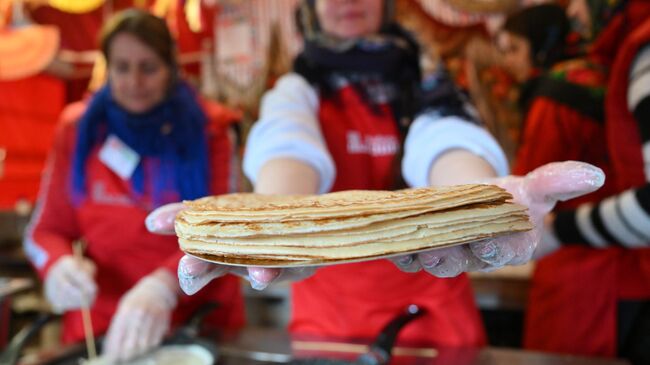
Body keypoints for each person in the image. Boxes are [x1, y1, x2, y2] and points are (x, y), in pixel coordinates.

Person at [147, 0, 604, 346]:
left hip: (434, 312)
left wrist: (484, 197)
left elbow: (444, 138)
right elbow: (288, 151)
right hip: (327, 322)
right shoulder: (296, 89)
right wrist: (272, 229)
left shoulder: (427, 80)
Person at [22, 9, 244, 362]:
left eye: (149, 67)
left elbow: (225, 233)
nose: (134, 81)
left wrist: (165, 285)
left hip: (196, 325)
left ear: (171, 67)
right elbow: (44, 231)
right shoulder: (78, 131)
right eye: (122, 68)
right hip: (100, 332)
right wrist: (57, 266)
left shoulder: (210, 129)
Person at [501, 1, 650, 363]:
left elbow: (527, 189)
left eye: (513, 49)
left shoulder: (559, 93)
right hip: (628, 263)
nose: (576, 14)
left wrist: (553, 230)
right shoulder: (610, 68)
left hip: (583, 276)